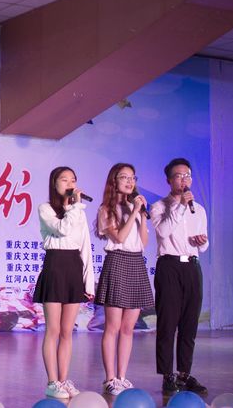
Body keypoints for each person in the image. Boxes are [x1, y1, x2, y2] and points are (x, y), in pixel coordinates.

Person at [32, 166, 94, 400]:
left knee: (68, 331)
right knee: (54, 330)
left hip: (73, 266)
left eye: (73, 180)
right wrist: (74, 206)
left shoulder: (79, 212)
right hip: (55, 266)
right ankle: (52, 382)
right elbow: (62, 229)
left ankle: (64, 379)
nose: (70, 183)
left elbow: (85, 246)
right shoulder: (46, 208)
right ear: (54, 184)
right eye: (64, 179)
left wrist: (89, 283)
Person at [94, 163, 154, 396]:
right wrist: (134, 213)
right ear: (114, 181)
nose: (130, 181)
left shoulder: (134, 207)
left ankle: (122, 376)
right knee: (113, 327)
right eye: (124, 177)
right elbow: (119, 237)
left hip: (136, 262)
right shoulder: (106, 209)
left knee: (128, 328)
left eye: (133, 178)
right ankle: (109, 379)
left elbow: (144, 242)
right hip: (117, 261)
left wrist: (142, 215)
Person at [150, 157, 208, 396]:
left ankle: (184, 374)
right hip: (169, 266)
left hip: (192, 266)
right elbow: (163, 232)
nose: (185, 179)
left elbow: (204, 244)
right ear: (169, 180)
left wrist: (201, 242)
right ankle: (167, 375)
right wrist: (181, 206)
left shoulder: (199, 209)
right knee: (167, 323)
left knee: (189, 324)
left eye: (188, 175)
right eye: (179, 175)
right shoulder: (159, 206)